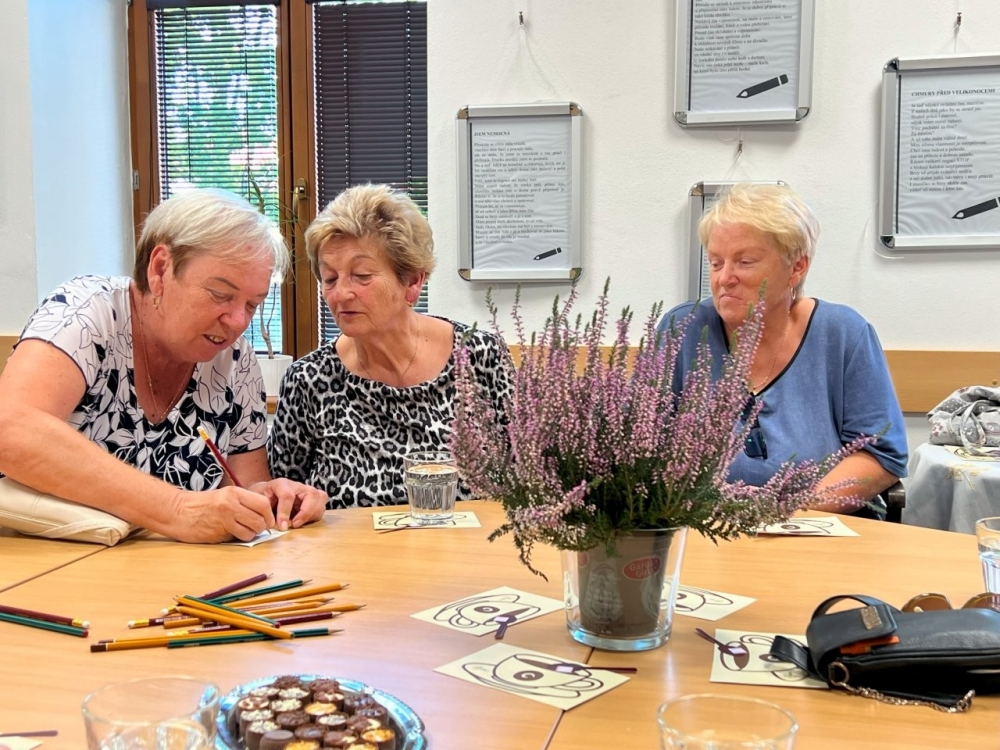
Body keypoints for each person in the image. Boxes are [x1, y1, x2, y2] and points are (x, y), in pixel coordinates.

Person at [0, 189, 328, 542]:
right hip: (39, 560)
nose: (237, 321)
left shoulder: (236, 362)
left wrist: (272, 499)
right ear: (160, 270)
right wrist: (177, 510)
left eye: (252, 305)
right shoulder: (87, 312)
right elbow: (11, 429)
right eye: (220, 294)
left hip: (164, 569)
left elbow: (244, 486)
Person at [659, 183, 906, 515]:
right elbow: (641, 446)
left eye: (745, 262)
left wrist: (789, 512)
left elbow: (880, 454)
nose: (724, 278)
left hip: (819, 525)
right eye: (716, 263)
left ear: (797, 267)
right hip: (705, 526)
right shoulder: (682, 329)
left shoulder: (843, 334)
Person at [267, 184, 512, 509]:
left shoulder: (480, 355)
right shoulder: (308, 380)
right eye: (330, 278)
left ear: (412, 282)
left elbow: (533, 480)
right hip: (350, 545)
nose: (340, 294)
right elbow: (282, 500)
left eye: (361, 275)